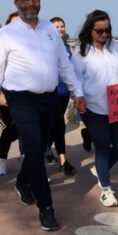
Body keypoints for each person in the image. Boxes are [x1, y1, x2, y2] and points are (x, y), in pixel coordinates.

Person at [0, 0, 85, 231]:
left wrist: (77, 92)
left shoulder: (50, 29)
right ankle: (46, 208)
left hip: (49, 100)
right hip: (21, 100)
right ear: (16, 3)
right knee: (34, 150)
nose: (31, 4)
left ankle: (22, 181)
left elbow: (64, 65)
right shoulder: (6, 34)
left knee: (38, 149)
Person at [71, 10, 118, 207]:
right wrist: (78, 97)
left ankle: (100, 169)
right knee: (102, 146)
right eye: (99, 31)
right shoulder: (81, 51)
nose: (104, 34)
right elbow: (74, 78)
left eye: (107, 30)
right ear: (90, 30)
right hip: (93, 107)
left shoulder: (114, 45)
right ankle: (106, 190)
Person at [48, 17, 76, 175]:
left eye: (62, 26)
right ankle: (63, 160)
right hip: (50, 93)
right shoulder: (46, 46)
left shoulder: (67, 48)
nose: (60, 29)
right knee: (59, 125)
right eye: (56, 26)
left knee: (56, 125)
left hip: (64, 93)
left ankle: (47, 150)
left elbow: (71, 70)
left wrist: (74, 91)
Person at [0, 11, 21, 176]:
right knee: (7, 131)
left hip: (27, 98)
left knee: (26, 131)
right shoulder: (2, 46)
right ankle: (2, 161)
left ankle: (30, 166)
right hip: (6, 97)